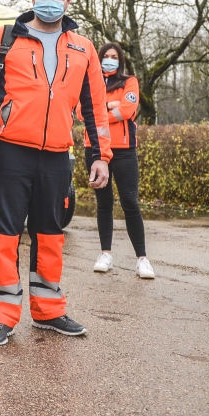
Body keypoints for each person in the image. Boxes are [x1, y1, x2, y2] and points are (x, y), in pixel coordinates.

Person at [0, 0, 112, 346]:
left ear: (69, 1)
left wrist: (100, 156)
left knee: (51, 236)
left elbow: (95, 108)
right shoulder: (5, 38)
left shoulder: (84, 48)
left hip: (57, 157)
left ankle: (49, 311)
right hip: (9, 154)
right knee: (4, 235)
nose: (50, 0)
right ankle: (2, 316)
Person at [82, 43, 154, 279]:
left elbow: (128, 109)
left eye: (114, 57)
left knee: (130, 202)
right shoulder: (89, 80)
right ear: (99, 58)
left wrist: (101, 110)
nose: (110, 60)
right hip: (94, 150)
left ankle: (142, 259)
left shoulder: (129, 81)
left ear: (120, 60)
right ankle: (105, 254)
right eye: (106, 56)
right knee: (104, 203)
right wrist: (111, 105)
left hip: (124, 150)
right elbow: (83, 113)